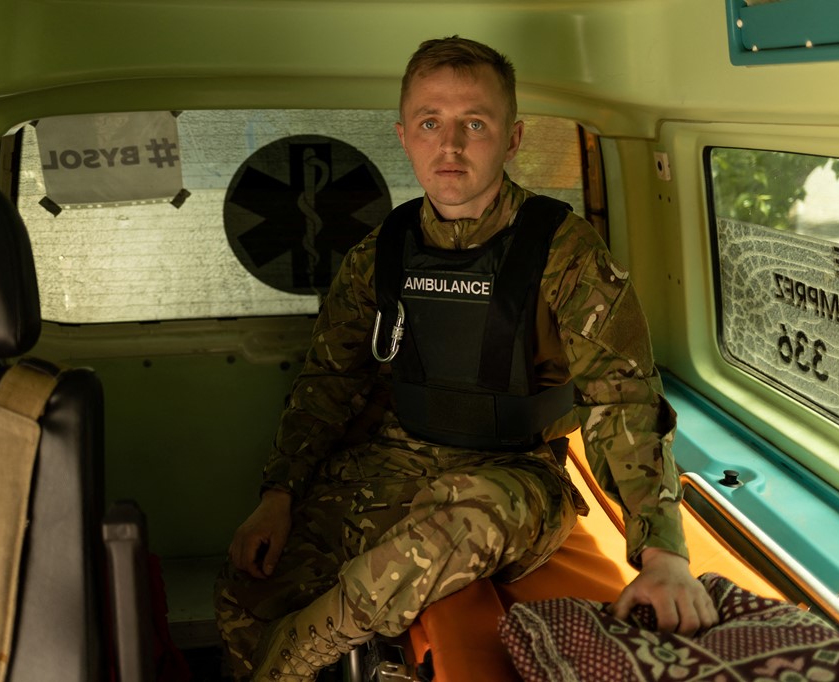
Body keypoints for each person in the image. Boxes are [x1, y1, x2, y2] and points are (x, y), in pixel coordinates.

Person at [215, 35, 718, 681]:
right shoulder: (382, 249)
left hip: (514, 476)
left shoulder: (562, 249)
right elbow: (329, 383)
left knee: (468, 515)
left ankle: (292, 657)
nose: (449, 146)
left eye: (474, 124)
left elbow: (620, 400)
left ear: (512, 139)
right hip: (395, 462)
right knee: (245, 583)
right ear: (404, 135)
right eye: (431, 123)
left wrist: (662, 555)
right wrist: (278, 495)